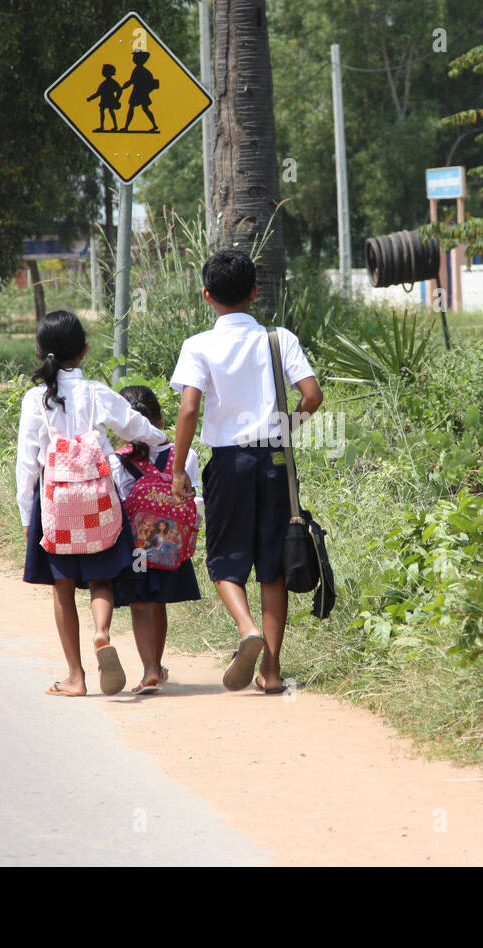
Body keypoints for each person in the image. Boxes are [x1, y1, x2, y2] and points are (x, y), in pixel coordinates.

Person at [169, 251, 323, 694]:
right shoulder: (280, 339)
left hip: (229, 464)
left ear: (206, 295)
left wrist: (178, 469)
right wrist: (288, 424)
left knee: (224, 561)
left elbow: (190, 408)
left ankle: (246, 628)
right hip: (274, 461)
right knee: (272, 566)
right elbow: (311, 395)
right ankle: (271, 673)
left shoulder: (198, 346)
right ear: (255, 292)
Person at [16, 311, 166, 697]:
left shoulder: (35, 400)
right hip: (99, 502)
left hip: (56, 505)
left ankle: (76, 677)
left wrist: (27, 516)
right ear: (83, 351)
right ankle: (102, 632)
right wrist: (161, 438)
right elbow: (133, 425)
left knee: (62, 587)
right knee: (101, 578)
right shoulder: (96, 392)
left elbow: (27, 463)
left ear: (38, 350)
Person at [111, 385, 202, 695]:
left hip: (135, 547)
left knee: (139, 604)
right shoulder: (186, 455)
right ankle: (157, 664)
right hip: (169, 544)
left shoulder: (118, 461)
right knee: (158, 602)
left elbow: (121, 502)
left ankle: (149, 669)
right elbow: (194, 498)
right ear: (161, 421)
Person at [121, 50, 159, 133]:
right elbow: (131, 81)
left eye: (135, 57)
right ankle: (154, 125)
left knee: (133, 108)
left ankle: (126, 127)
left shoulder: (140, 70)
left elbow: (131, 81)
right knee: (144, 109)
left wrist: (123, 88)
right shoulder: (138, 69)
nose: (134, 59)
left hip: (139, 92)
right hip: (140, 92)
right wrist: (123, 87)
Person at [86, 64, 121, 132]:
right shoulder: (103, 83)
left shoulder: (112, 82)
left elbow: (119, 90)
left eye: (104, 71)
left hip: (110, 99)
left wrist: (116, 99)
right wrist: (90, 98)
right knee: (102, 111)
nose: (102, 72)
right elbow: (98, 93)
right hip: (104, 100)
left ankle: (115, 126)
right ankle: (102, 126)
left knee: (110, 111)